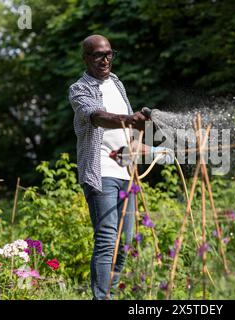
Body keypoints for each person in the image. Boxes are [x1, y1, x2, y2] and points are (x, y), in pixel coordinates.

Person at [68, 34, 172, 300]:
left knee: (125, 243)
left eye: (109, 54)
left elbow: (128, 138)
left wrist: (154, 150)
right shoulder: (79, 89)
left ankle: (111, 294)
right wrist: (130, 119)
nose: (105, 60)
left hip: (125, 171)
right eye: (97, 55)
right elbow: (98, 117)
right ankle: (101, 298)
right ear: (86, 58)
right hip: (101, 171)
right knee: (106, 240)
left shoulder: (116, 83)